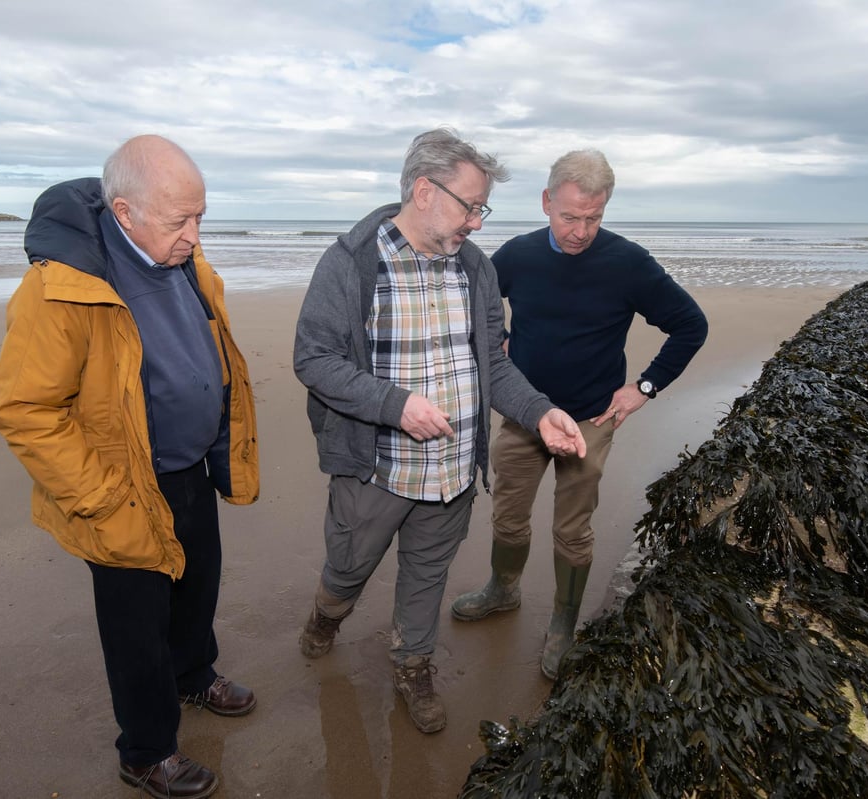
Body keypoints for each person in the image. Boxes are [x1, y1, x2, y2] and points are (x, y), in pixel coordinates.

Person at [0, 134, 260, 799]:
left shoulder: (183, 257)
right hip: (119, 486)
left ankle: (195, 673)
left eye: (201, 216)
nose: (195, 235)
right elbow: (25, 407)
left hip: (188, 467)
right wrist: (103, 497)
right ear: (125, 211)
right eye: (180, 221)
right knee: (137, 627)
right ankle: (146, 750)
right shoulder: (61, 287)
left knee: (198, 583)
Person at [293, 128, 587, 733]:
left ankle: (412, 664)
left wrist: (540, 411)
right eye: (470, 205)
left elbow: (494, 365)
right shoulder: (351, 262)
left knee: (427, 577)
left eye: (482, 209)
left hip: (452, 469)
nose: (477, 223)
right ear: (424, 191)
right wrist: (395, 404)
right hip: (375, 469)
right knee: (348, 566)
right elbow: (314, 359)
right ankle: (327, 615)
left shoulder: (475, 269)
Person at [450, 149, 708, 679]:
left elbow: (690, 324)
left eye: (594, 217)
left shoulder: (629, 263)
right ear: (546, 202)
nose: (581, 231)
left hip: (592, 418)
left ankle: (563, 624)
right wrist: (495, 333)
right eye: (570, 216)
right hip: (524, 413)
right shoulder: (517, 255)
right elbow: (478, 305)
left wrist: (645, 387)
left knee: (572, 529)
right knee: (508, 514)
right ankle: (503, 589)